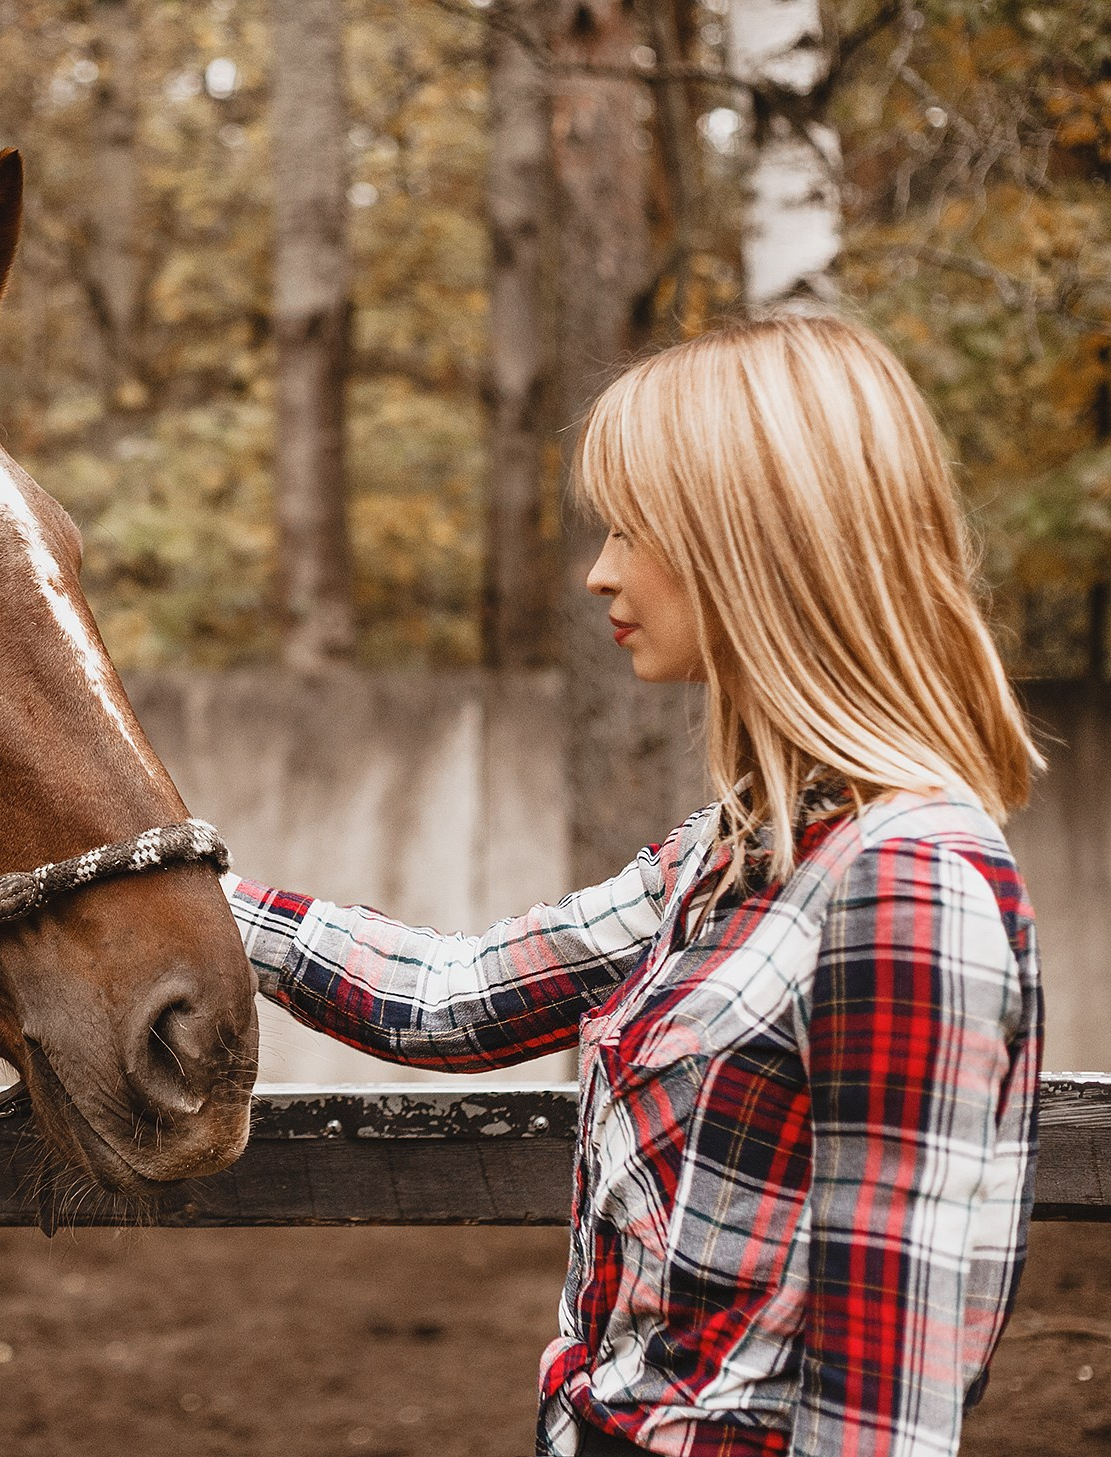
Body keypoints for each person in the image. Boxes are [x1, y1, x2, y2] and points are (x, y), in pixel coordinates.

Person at [224, 313, 1043, 1457]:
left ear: (761, 540)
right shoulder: (731, 856)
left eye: (633, 526)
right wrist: (171, 895)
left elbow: (882, 1415)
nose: (598, 570)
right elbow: (447, 995)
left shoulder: (907, 887)